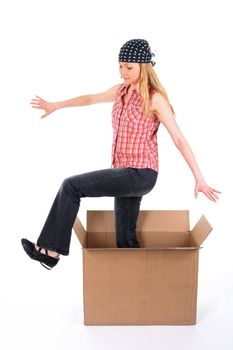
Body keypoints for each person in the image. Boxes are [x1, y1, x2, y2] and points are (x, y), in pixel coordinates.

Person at [21, 39, 221, 270]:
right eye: (120, 66)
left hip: (141, 173)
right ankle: (135, 285)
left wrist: (199, 178)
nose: (122, 72)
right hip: (124, 172)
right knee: (125, 238)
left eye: (129, 67)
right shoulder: (121, 91)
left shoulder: (154, 97)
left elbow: (178, 138)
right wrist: (57, 105)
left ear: (144, 66)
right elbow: (90, 98)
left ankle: (50, 250)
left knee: (71, 187)